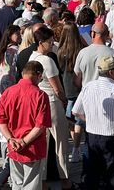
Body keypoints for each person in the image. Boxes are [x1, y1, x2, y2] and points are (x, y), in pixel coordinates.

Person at [72, 56, 114, 190]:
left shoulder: (88, 86)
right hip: (112, 139)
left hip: (92, 137)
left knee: (92, 176)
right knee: (112, 177)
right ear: (111, 72)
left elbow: (75, 111)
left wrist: (90, 119)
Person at [28, 27, 73, 190]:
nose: (52, 43)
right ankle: (65, 179)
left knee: (43, 144)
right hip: (52, 102)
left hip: (37, 103)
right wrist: (64, 100)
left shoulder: (32, 58)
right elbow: (57, 87)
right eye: (49, 41)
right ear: (41, 43)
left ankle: (43, 180)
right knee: (61, 143)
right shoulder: (47, 60)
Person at [0, 61, 52, 190]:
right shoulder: (40, 95)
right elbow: (41, 125)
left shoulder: (8, 92)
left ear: (22, 73)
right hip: (33, 147)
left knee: (17, 184)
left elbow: (1, 121)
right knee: (32, 185)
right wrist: (24, 142)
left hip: (13, 146)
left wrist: (11, 139)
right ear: (39, 75)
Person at [56, 22, 86, 162]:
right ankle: (76, 148)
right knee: (79, 119)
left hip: (66, 86)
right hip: (79, 86)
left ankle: (75, 147)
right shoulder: (81, 49)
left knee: (70, 118)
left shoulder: (60, 51)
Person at [0, 25, 21, 95]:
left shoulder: (0, 48)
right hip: (13, 79)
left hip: (2, 77)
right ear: (10, 36)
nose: (20, 36)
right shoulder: (16, 50)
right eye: (17, 34)